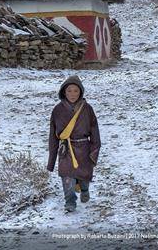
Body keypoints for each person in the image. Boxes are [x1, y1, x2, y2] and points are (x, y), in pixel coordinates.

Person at [47, 74, 101, 213]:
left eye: (76, 91)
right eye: (69, 91)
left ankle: (84, 189)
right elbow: (53, 136)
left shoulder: (87, 109)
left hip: (84, 148)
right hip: (65, 149)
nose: (72, 94)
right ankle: (70, 202)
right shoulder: (57, 110)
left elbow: (95, 131)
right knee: (67, 176)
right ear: (64, 92)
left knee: (83, 176)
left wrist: (94, 152)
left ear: (80, 92)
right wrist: (51, 161)